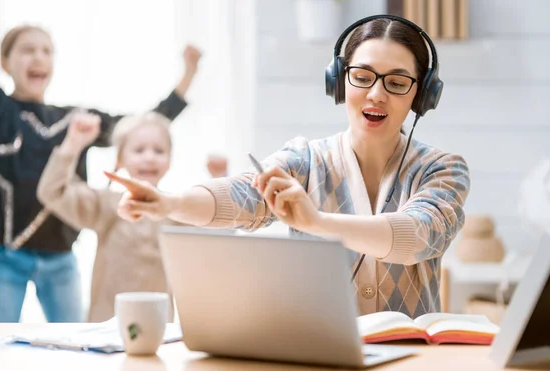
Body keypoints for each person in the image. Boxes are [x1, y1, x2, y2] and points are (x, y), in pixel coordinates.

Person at [107, 15, 470, 319]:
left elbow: (419, 235)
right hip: (319, 354)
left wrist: (319, 223)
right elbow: (245, 195)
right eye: (362, 76)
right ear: (340, 81)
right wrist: (170, 203)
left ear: (422, 96)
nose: (376, 94)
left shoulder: (442, 170)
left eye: (396, 82)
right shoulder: (305, 160)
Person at [0, 0, 201, 322]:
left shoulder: (77, 120)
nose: (38, 57)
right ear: (5, 62)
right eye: (28, 50)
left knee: (78, 345)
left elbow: (142, 127)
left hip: (60, 258)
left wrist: (187, 77)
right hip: (5, 256)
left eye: (47, 51)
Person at [38, 112, 207, 322]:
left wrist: (218, 180)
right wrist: (73, 145)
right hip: (106, 326)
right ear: (120, 159)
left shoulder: (175, 209)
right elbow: (52, 192)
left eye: (159, 150)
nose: (149, 157)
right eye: (139, 150)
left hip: (158, 327)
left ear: (170, 158)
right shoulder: (107, 204)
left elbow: (214, 236)